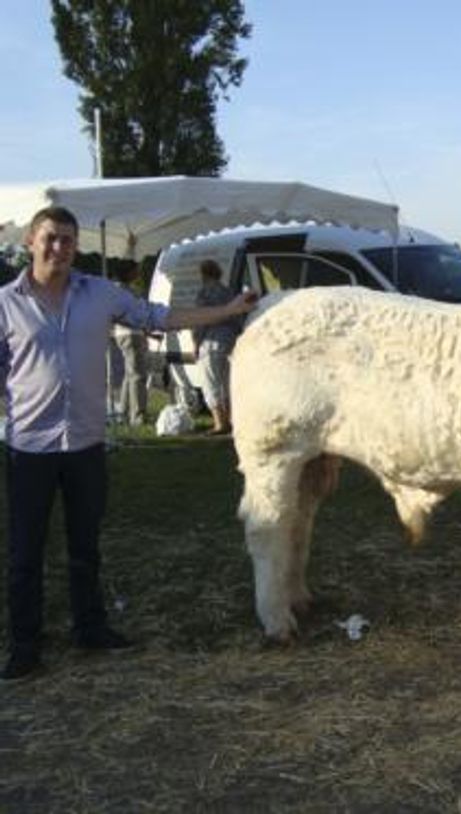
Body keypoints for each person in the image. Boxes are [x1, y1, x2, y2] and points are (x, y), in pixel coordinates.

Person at [0, 206, 257, 681]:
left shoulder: (98, 294)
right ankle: (25, 646)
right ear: (31, 242)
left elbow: (159, 314)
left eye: (68, 241)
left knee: (85, 546)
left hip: (85, 446)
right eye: (51, 238)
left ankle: (90, 629)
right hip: (29, 451)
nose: (59, 248)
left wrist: (226, 310)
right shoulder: (5, 305)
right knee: (24, 554)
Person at [192, 260, 241, 435]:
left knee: (210, 382)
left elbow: (200, 320)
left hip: (211, 341)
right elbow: (237, 317)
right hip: (229, 340)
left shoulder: (204, 293)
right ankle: (232, 420)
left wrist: (195, 343)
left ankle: (220, 424)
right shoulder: (228, 292)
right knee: (227, 382)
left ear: (204, 274)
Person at [113, 265, 149, 426]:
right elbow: (130, 314)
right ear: (128, 272)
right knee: (138, 375)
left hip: (128, 334)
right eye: (135, 270)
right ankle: (137, 416)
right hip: (129, 334)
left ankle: (123, 411)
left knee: (130, 374)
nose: (138, 273)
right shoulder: (122, 290)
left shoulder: (124, 289)